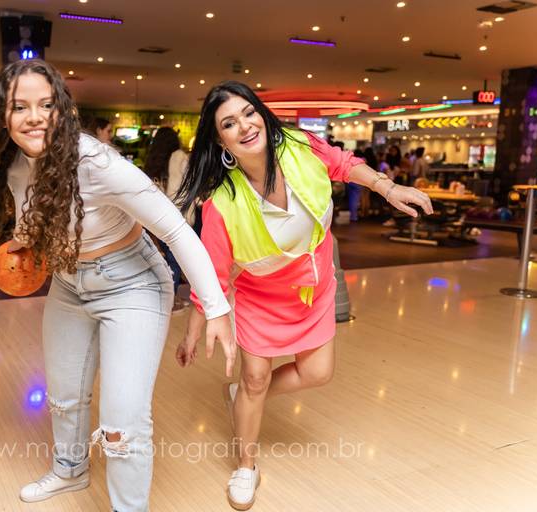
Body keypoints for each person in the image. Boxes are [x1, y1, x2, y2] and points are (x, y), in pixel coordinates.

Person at [0, 59, 234, 511]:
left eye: (46, 104)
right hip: (69, 283)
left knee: (122, 422)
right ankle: (70, 470)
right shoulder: (11, 163)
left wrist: (217, 308)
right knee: (65, 397)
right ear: (1, 116)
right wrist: (24, 244)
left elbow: (175, 229)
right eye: (20, 107)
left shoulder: (98, 162)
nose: (34, 117)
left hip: (133, 283)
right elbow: (38, 214)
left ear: (63, 110)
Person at [174, 81, 433, 510]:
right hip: (260, 297)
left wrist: (388, 188)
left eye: (249, 113)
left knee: (317, 373)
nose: (245, 126)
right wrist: (194, 329)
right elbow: (212, 276)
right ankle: (246, 464)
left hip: (312, 289)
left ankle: (242, 397)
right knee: (256, 378)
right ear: (220, 142)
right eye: (230, 123)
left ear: (262, 115)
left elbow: (345, 164)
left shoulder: (301, 147)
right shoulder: (221, 203)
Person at [143, 126, 191, 308]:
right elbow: (188, 185)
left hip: (155, 218)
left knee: (164, 259)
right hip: (176, 216)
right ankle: (169, 300)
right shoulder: (179, 157)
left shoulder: (152, 161)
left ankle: (163, 297)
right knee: (175, 259)